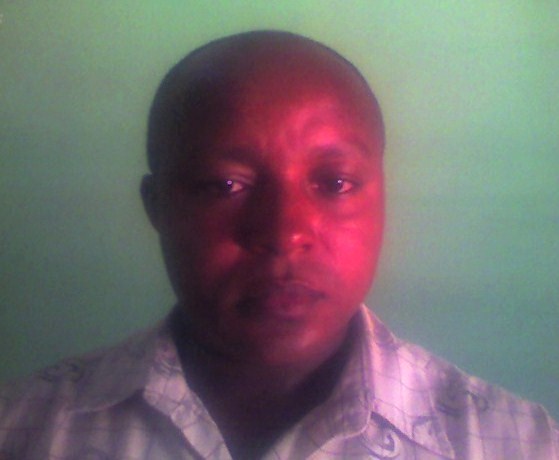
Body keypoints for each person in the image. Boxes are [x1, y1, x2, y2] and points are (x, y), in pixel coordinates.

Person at [0, 30, 557, 460]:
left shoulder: (520, 444)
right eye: (225, 186)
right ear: (157, 206)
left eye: (335, 183)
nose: (284, 231)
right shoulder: (23, 430)